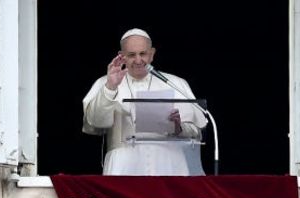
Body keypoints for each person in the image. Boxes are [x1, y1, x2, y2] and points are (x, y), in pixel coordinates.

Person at [82, 28, 208, 176]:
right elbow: (95, 123)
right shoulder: (106, 82)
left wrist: (178, 127)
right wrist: (110, 87)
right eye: (131, 55)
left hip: (170, 164)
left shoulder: (176, 83)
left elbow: (196, 131)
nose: (138, 60)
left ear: (152, 54)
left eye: (143, 54)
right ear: (121, 56)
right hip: (123, 165)